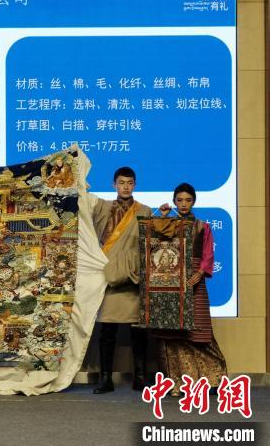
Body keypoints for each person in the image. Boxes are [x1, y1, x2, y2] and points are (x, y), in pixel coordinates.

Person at [155, 183, 227, 395]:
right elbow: (154, 245)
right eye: (179, 200)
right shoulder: (167, 225)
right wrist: (162, 217)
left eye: (188, 200)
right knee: (172, 335)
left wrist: (200, 273)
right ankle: (179, 383)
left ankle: (214, 380)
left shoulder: (203, 226)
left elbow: (208, 255)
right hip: (171, 281)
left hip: (195, 282)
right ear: (174, 202)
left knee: (199, 332)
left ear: (193, 201)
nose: (184, 204)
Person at [91, 167, 152, 393]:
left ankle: (140, 378)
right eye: (121, 182)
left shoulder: (145, 211)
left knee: (138, 331)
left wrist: (164, 219)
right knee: (107, 331)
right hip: (108, 275)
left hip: (133, 276)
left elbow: (151, 244)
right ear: (114, 184)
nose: (125, 187)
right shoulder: (102, 208)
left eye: (129, 183)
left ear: (134, 185)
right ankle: (105, 378)